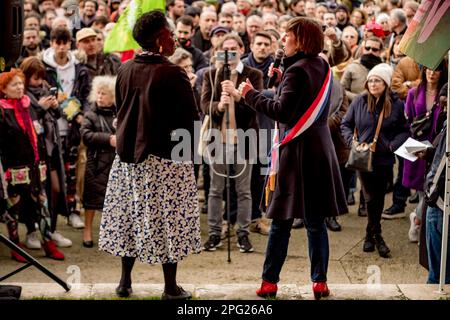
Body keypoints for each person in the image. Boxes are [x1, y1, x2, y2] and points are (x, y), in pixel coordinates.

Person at [238, 17, 347, 299]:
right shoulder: (320, 64)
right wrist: (278, 80)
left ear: (300, 40)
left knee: (281, 222)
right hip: (319, 150)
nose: (282, 40)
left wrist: (251, 94)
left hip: (296, 151)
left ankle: (269, 282)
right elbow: (299, 100)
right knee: (315, 222)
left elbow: (284, 112)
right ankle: (319, 282)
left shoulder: (296, 70)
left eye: (287, 36)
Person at [98, 10, 201, 300]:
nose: (175, 38)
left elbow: (122, 111)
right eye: (170, 33)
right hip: (165, 159)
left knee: (130, 217)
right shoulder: (173, 72)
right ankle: (170, 288)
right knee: (170, 220)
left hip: (128, 158)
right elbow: (191, 122)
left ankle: (124, 282)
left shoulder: (125, 68)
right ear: (159, 39)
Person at [201, 33, 263, 253]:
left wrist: (238, 97)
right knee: (216, 190)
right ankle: (215, 233)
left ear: (241, 50)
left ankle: (243, 233)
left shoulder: (253, 75)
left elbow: (256, 106)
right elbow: (204, 105)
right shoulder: (211, 75)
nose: (229, 53)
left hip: (244, 139)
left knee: (243, 190)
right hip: (218, 139)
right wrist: (219, 106)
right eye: (224, 49)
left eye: (233, 49)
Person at [341, 63, 409, 258]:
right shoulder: (360, 102)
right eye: (370, 80)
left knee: (378, 197)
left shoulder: (396, 104)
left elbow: (404, 130)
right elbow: (346, 124)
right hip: (363, 158)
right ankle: (377, 236)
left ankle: (369, 234)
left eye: (377, 80)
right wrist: (351, 141)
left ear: (386, 83)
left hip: (385, 159)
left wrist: (392, 145)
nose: (372, 84)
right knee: (371, 197)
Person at [0, 68, 65, 262]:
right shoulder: (2, 110)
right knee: (14, 209)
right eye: (14, 85)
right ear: (4, 89)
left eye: (21, 83)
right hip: (14, 168)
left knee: (43, 205)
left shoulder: (30, 105)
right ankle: (15, 245)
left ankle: (47, 242)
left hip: (37, 166)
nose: (20, 87)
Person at [20, 57, 72, 249]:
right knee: (33, 194)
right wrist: (40, 108)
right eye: (35, 78)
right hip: (32, 153)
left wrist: (56, 107)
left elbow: (57, 117)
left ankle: (51, 229)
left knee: (55, 190)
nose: (39, 82)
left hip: (51, 149)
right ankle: (32, 230)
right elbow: (26, 122)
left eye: (41, 77)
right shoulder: (23, 96)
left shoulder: (45, 90)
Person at [401, 62, 447, 241]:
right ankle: (420, 221)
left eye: (436, 70)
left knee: (431, 189)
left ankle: (417, 219)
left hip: (436, 146)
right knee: (421, 190)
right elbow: (408, 121)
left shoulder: (444, 94)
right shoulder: (414, 93)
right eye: (429, 69)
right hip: (417, 145)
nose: (432, 73)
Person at [80, 75, 117, 248]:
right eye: (99, 93)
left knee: (114, 200)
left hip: (115, 161)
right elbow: (86, 135)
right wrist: (108, 139)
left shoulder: (120, 113)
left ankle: (110, 233)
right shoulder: (91, 115)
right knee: (91, 200)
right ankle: (87, 231)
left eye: (105, 94)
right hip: (95, 162)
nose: (100, 96)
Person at [422, 83, 450, 284]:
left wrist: (430, 192)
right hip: (438, 198)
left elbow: (442, 165)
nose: (445, 109)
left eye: (447, 104)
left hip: (440, 201)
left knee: (439, 273)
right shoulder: (446, 122)